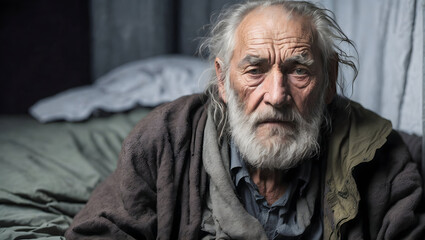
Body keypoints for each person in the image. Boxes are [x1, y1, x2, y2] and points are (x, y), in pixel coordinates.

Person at [65, 0, 425, 239]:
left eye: (299, 71)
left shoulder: (380, 154)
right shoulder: (165, 138)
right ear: (222, 80)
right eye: (255, 70)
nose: (277, 95)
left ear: (329, 80)